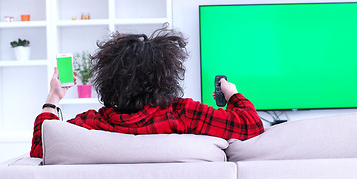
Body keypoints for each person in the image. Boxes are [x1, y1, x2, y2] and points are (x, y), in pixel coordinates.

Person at [30, 25, 264, 158]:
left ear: (108, 78)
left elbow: (41, 149)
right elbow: (252, 126)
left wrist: (53, 98)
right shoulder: (183, 113)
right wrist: (231, 94)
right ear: (166, 76)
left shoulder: (92, 122)